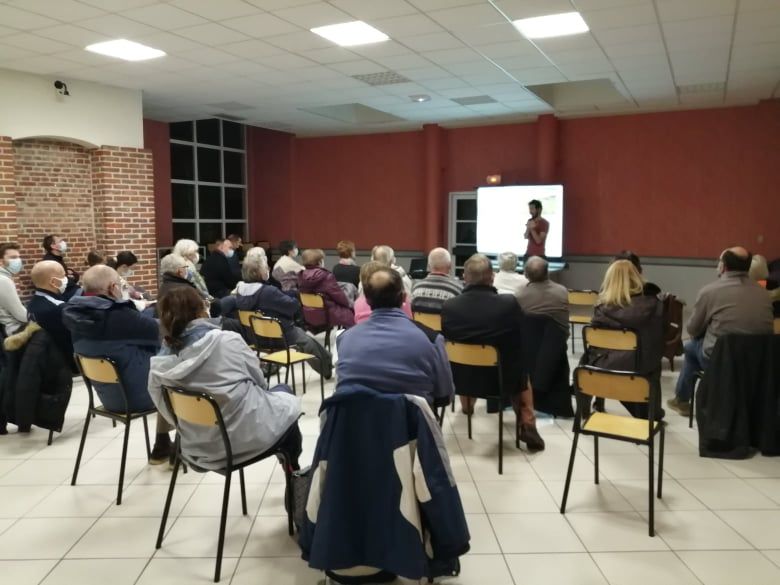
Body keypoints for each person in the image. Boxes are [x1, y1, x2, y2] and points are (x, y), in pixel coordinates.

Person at [148, 286, 303, 471]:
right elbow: (261, 382)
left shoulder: (158, 365)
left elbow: (166, 410)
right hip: (245, 440)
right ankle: (293, 472)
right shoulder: (227, 341)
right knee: (285, 394)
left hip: (197, 451)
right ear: (200, 311)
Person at [62, 265, 174, 463]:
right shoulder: (117, 314)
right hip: (137, 396)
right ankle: (176, 447)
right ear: (113, 287)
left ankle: (163, 446)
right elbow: (163, 332)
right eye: (121, 284)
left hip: (108, 396)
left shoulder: (73, 312)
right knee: (180, 375)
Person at [442, 254, 545, 451]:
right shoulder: (508, 304)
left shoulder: (450, 306)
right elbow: (520, 336)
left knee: (465, 357)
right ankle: (527, 423)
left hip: (460, 379)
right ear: (492, 277)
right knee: (520, 365)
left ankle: (467, 407)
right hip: (501, 381)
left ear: (465, 277)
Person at [668, 246, 774, 417]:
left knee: (690, 348)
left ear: (723, 266)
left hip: (722, 360)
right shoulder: (764, 295)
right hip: (758, 362)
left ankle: (682, 400)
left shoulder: (710, 291)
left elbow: (692, 329)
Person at [337, 267, 454, 407]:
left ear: (367, 300)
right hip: (411, 419)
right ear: (404, 297)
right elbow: (444, 395)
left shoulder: (344, 338)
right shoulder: (432, 340)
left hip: (355, 419)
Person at [582, 260, 664, 419]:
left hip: (606, 365)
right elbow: (659, 338)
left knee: (587, 359)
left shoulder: (602, 308)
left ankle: (584, 409)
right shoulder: (655, 304)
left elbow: (595, 344)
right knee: (654, 364)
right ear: (637, 277)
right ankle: (652, 413)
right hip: (642, 364)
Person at [235, 254, 333, 378]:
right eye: (265, 267)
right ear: (257, 272)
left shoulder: (240, 292)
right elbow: (293, 306)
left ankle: (328, 360)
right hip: (282, 336)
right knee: (307, 342)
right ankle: (327, 369)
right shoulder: (268, 292)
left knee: (307, 338)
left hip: (257, 338)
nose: (268, 269)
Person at [27, 260, 73, 364]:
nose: (66, 279)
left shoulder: (31, 304)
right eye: (63, 276)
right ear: (53, 282)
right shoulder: (59, 307)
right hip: (64, 363)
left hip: (43, 360)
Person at [298, 248, 355, 329]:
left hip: (309, 315)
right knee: (352, 314)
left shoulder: (301, 276)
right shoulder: (326, 276)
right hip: (328, 314)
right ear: (320, 262)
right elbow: (339, 297)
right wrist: (349, 305)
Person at [516, 256, 569, 335]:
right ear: (547, 272)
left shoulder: (519, 293)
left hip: (528, 339)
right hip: (558, 339)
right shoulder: (562, 291)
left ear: (526, 275)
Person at [410, 247, 463, 314]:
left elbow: (411, 314)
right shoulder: (457, 289)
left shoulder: (416, 288)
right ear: (450, 265)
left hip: (418, 321)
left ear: (429, 266)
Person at [0, 243, 28, 335]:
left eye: (18, 257)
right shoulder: (3, 280)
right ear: (1, 261)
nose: (18, 261)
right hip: (12, 330)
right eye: (13, 257)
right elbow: (21, 316)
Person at [42, 234, 79, 298]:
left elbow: (72, 275)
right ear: (53, 246)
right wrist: (71, 277)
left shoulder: (58, 258)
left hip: (69, 291)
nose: (63, 243)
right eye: (60, 241)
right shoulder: (50, 262)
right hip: (64, 295)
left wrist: (71, 275)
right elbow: (61, 282)